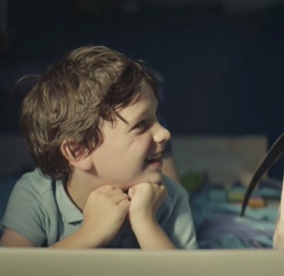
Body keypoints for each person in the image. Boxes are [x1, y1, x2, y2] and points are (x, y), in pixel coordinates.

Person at [0, 45, 197, 249]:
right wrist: (91, 233)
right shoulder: (35, 195)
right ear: (78, 151)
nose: (165, 133)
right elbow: (11, 269)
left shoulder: (170, 198)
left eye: (156, 116)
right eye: (141, 124)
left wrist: (146, 222)